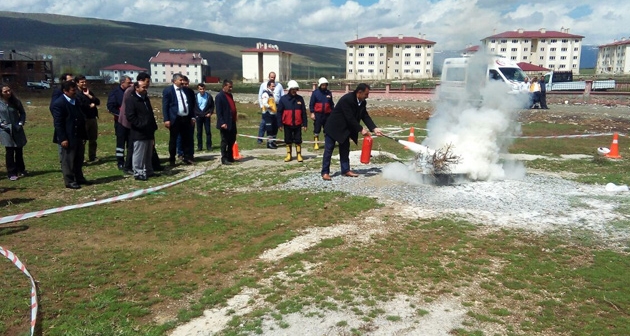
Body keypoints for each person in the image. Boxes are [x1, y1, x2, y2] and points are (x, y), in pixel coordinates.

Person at [321, 83, 383, 181]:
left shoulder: (362, 102)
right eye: (366, 94)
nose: (367, 96)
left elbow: (365, 116)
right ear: (359, 92)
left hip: (345, 129)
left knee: (345, 150)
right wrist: (361, 129)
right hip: (334, 127)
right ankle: (325, 172)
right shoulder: (347, 99)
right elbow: (349, 117)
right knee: (329, 150)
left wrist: (374, 128)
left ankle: (345, 170)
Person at [118, 72, 163, 174]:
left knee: (147, 148)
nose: (147, 85)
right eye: (146, 82)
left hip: (145, 126)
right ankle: (132, 168)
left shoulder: (145, 96)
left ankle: (148, 168)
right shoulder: (131, 93)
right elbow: (129, 111)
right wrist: (139, 124)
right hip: (132, 124)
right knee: (134, 147)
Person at [51, 81, 89, 189]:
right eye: (73, 90)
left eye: (75, 89)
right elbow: (58, 123)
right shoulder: (59, 103)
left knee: (79, 158)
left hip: (78, 135)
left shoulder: (76, 101)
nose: (75, 92)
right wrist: (63, 138)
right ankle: (69, 180)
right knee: (68, 160)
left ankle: (79, 177)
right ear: (65, 91)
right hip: (68, 136)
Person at [125, 80, 158, 181]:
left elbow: (150, 113)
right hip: (139, 131)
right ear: (137, 88)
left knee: (148, 152)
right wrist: (141, 124)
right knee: (139, 152)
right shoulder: (131, 100)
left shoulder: (145, 99)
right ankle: (138, 172)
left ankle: (148, 170)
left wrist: (153, 126)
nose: (145, 89)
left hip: (149, 130)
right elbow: (130, 116)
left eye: (146, 87)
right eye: (143, 87)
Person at [163, 73, 196, 165]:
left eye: (183, 80)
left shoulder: (186, 91)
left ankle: (187, 157)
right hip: (175, 118)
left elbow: (190, 105)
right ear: (174, 81)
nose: (182, 82)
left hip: (186, 118)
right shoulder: (168, 91)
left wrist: (193, 117)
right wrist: (166, 119)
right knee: (173, 139)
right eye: (180, 80)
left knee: (187, 138)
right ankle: (172, 158)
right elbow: (165, 106)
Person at [0, 85, 28, 181]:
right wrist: (2, 124)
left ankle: (21, 169)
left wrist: (20, 122)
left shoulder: (15, 101)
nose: (8, 93)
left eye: (9, 91)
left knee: (19, 150)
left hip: (17, 128)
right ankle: (11, 172)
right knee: (10, 150)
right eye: (5, 92)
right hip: (5, 130)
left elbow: (22, 113)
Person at [277, 80, 307, 162]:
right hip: (287, 124)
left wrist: (305, 124)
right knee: (288, 140)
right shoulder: (283, 99)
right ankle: (289, 155)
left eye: (295, 89)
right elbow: (279, 112)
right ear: (289, 89)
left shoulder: (300, 99)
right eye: (292, 89)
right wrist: (279, 124)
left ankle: (299, 155)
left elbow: (303, 112)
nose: (294, 91)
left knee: (298, 140)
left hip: (297, 124)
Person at [106, 76, 133, 170]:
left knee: (131, 142)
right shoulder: (115, 93)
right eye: (128, 83)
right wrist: (121, 115)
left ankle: (130, 162)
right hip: (120, 122)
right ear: (122, 83)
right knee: (121, 143)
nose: (131, 84)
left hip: (131, 122)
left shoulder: (131, 92)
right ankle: (120, 162)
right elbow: (110, 107)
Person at [74, 75, 100, 162]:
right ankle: (81, 158)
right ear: (77, 83)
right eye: (82, 82)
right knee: (83, 140)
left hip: (92, 118)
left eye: (85, 81)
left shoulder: (88, 92)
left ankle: (92, 156)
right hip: (83, 119)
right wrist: (90, 106)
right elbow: (80, 105)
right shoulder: (76, 93)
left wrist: (89, 95)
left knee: (93, 139)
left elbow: (97, 101)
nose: (84, 83)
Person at [257, 72, 284, 144]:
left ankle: (273, 139)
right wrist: (261, 106)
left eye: (274, 77)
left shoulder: (279, 86)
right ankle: (260, 139)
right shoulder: (263, 85)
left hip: (276, 106)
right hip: (267, 108)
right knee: (264, 123)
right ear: (269, 77)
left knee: (275, 123)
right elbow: (260, 96)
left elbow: (282, 96)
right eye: (271, 77)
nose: (273, 78)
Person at [215, 79, 237, 165]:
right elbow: (219, 112)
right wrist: (222, 123)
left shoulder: (230, 95)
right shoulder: (219, 96)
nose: (231, 88)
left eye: (232, 87)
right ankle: (224, 158)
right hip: (225, 123)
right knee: (225, 141)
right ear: (224, 86)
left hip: (232, 121)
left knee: (232, 139)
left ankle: (230, 156)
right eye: (229, 87)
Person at [309, 77, 334, 150]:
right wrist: (312, 113)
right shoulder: (315, 93)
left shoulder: (329, 93)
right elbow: (311, 104)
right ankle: (316, 143)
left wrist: (333, 113)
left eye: (325, 85)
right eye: (322, 85)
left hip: (327, 115)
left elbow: (331, 104)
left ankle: (327, 143)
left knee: (327, 129)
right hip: (318, 114)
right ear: (320, 85)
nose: (324, 86)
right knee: (317, 129)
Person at [194, 83, 214, 151]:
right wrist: (195, 114)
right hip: (198, 116)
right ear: (198, 89)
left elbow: (212, 106)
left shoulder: (209, 96)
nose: (202, 90)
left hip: (206, 116)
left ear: (205, 89)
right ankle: (200, 146)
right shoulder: (195, 96)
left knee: (208, 132)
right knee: (199, 132)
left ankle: (209, 146)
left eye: (203, 89)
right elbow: (193, 106)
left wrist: (210, 113)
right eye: (200, 89)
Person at [260, 80, 278, 149]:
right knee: (269, 129)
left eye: (274, 86)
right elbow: (264, 103)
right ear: (268, 86)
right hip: (268, 114)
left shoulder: (272, 93)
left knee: (274, 128)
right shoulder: (265, 93)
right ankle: (269, 143)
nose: (273, 87)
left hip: (273, 113)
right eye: (272, 86)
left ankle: (272, 142)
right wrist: (269, 107)